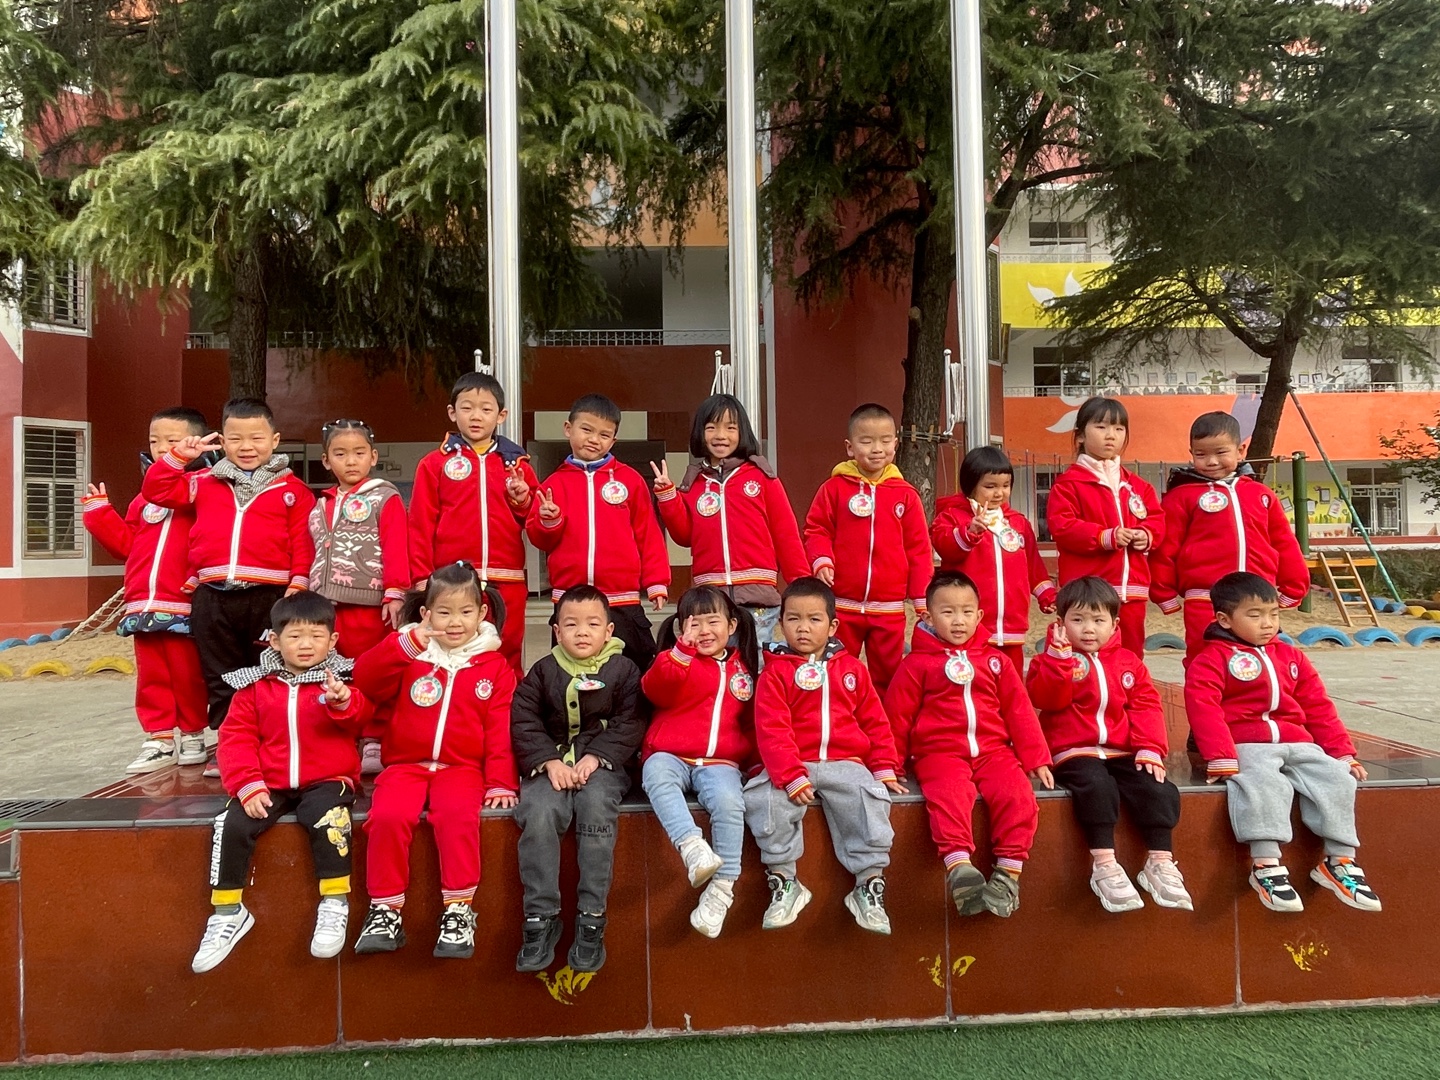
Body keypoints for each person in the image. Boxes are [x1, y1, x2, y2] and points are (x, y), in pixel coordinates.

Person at [190, 592, 372, 972]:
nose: (306, 644)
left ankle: (334, 902)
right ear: (274, 640)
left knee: (327, 816)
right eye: (295, 636)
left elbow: (361, 719)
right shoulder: (254, 687)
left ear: (332, 640)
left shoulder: (340, 682)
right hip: (268, 782)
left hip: (327, 779)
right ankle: (228, 912)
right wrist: (247, 784)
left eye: (316, 636)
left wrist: (342, 702)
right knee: (232, 822)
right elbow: (236, 739)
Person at [350, 563, 519, 958]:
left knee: (457, 817)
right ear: (426, 614)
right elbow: (365, 678)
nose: (455, 622)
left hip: (462, 769)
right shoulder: (409, 653)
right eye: (444, 612)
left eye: (465, 612)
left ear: (482, 613)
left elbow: (500, 729)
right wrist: (406, 644)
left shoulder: (495, 667)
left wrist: (500, 781)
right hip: (404, 765)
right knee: (388, 816)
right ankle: (384, 910)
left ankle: (459, 910)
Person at [1187, 572, 1381, 913]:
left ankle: (1339, 861)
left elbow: (1318, 706)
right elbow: (1203, 706)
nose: (1267, 623)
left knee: (1338, 778)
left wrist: (1342, 753)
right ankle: (1265, 865)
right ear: (1224, 619)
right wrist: (1220, 756)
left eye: (1273, 614)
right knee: (1264, 783)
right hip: (1247, 744)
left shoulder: (1291, 657)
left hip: (1298, 742)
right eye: (1255, 615)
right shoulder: (1212, 658)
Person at [142, 397, 316, 775]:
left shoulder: (293, 490)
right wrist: (179, 457)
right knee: (220, 674)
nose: (246, 447)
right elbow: (156, 490)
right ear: (222, 442)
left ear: (275, 440)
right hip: (213, 594)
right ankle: (230, 746)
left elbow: (303, 540)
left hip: (269, 596)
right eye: (235, 439)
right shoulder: (203, 482)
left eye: (257, 438)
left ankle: (271, 745)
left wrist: (299, 581)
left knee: (268, 670)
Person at [885, 572, 1052, 918]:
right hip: (939, 754)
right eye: (947, 612)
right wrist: (889, 764)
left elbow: (1018, 710)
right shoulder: (916, 664)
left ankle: (1007, 874)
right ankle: (960, 868)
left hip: (994, 752)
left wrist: (1036, 758)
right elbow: (896, 716)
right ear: (928, 616)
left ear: (979, 616)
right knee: (949, 796)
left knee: (1017, 795)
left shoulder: (995, 661)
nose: (958, 621)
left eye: (966, 612)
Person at [744, 577, 904, 935]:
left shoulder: (852, 670)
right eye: (793, 619)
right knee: (767, 799)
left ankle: (869, 885)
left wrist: (883, 766)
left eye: (814, 619)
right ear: (780, 623)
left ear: (832, 626)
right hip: (793, 764)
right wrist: (790, 774)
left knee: (867, 800)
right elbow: (772, 728)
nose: (803, 628)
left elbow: (875, 721)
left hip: (845, 762)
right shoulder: (775, 672)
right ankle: (784, 881)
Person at [1027, 577, 1192, 913]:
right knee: (1096, 786)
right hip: (1074, 751)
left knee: (1157, 785)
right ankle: (1104, 864)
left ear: (1115, 624)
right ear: (1060, 623)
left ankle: (1160, 861)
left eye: (1098, 620)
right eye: (1077, 620)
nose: (1088, 629)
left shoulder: (1128, 662)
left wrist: (1149, 747)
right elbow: (1048, 699)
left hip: (1123, 750)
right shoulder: (1047, 661)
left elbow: (1146, 705)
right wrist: (1059, 661)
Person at [511, 585, 645, 974]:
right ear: (556, 631)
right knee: (538, 812)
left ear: (609, 630)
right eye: (571, 624)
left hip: (603, 767)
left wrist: (597, 756)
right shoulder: (543, 671)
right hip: (550, 767)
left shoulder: (624, 670)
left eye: (592, 624)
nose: (582, 632)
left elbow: (631, 721)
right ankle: (540, 915)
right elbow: (524, 719)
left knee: (596, 809)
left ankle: (591, 915)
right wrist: (548, 762)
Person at [81, 407, 211, 774]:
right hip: (143, 602)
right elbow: (128, 546)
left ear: (197, 443)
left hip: (184, 599)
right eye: (155, 442)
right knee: (152, 675)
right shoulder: (143, 500)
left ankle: (193, 734)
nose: (162, 449)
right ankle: (159, 738)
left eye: (173, 441)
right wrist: (100, 515)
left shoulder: (204, 488)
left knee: (187, 673)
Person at [640, 586, 760, 938]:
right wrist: (681, 652)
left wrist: (754, 765)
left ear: (732, 625)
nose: (704, 631)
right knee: (656, 772)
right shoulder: (674, 659)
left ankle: (722, 888)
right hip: (671, 753)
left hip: (721, 761)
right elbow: (654, 689)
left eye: (713, 621)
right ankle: (692, 847)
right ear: (681, 628)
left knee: (729, 803)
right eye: (694, 624)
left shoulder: (743, 670)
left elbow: (751, 724)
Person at [1150, 411, 1310, 662]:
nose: (1211, 461)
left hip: (1257, 598)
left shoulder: (1261, 495)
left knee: (1261, 657)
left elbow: (1284, 542)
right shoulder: (1180, 497)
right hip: (1204, 599)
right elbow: (1165, 547)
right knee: (1204, 657)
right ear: (1191, 454)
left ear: (1240, 450)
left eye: (1221, 452)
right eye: (1201, 454)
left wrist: (1295, 586)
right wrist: (1163, 593)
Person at [527, 394, 670, 673]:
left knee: (635, 669)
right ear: (568, 429)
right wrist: (548, 521)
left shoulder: (630, 480)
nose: (594, 440)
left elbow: (648, 533)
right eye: (586, 430)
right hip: (570, 600)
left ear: (613, 441)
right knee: (569, 670)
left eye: (604, 435)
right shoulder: (553, 484)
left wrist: (657, 581)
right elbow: (539, 539)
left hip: (622, 598)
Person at [651, 393, 808, 647]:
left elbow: (786, 535)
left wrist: (802, 586)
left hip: (758, 597)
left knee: (755, 661)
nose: (720, 435)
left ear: (742, 432)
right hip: (711, 600)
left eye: (730, 428)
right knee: (714, 662)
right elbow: (684, 536)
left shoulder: (762, 478)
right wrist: (668, 496)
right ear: (700, 432)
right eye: (711, 427)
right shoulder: (694, 483)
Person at [408, 372, 539, 675]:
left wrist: (523, 500)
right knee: (449, 650)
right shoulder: (434, 464)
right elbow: (420, 525)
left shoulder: (516, 465)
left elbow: (535, 524)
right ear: (452, 412)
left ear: (501, 415)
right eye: (467, 408)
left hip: (506, 579)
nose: (476, 416)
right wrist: (422, 579)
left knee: (507, 651)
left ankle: (508, 704)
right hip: (450, 581)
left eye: (486, 409)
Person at [803, 404, 932, 696]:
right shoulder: (833, 489)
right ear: (850, 447)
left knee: (888, 676)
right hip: (842, 602)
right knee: (836, 669)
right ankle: (839, 717)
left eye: (885, 441)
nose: (877, 449)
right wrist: (821, 560)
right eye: (867, 441)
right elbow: (816, 529)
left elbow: (919, 549)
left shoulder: (906, 495)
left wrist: (922, 598)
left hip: (889, 608)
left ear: (895, 444)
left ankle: (886, 723)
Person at [308, 419, 410, 776]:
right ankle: (344, 733)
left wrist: (395, 592)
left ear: (373, 456)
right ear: (326, 460)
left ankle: (374, 737)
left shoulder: (384, 497)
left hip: (369, 606)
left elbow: (396, 544)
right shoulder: (320, 505)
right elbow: (312, 552)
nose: (350, 461)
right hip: (326, 607)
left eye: (359, 453)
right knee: (335, 671)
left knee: (371, 673)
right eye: (340, 454)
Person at [1046, 397, 1162, 657]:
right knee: (1083, 654)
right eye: (1101, 427)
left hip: (1131, 592)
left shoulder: (1138, 486)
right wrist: (1104, 537)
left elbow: (1157, 519)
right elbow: (1062, 526)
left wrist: (1146, 535)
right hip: (1087, 593)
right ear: (1080, 436)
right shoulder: (1068, 484)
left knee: (1130, 655)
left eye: (1119, 428)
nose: (1111, 435)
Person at [931, 446, 1057, 673]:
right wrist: (969, 533)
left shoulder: (1018, 523)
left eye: (1005, 485)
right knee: (976, 677)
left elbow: (1033, 565)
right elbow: (945, 547)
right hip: (971, 624)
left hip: (1012, 623)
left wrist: (1046, 594)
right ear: (970, 486)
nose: (999, 493)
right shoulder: (951, 517)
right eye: (990, 486)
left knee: (1011, 680)